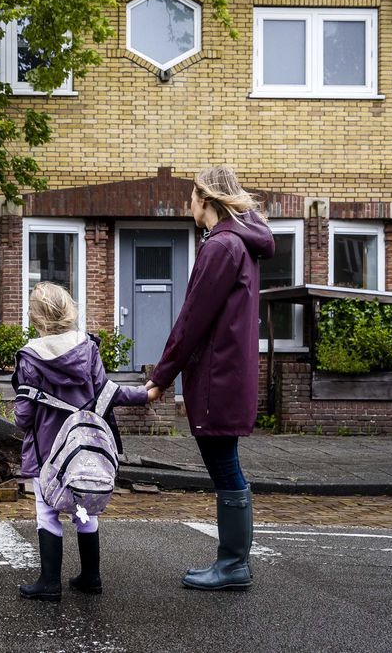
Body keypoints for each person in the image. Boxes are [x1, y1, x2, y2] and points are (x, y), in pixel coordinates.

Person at [144, 164, 275, 591]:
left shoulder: (222, 247)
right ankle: (232, 563)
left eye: (192, 197)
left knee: (225, 468)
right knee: (227, 466)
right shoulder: (240, 244)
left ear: (205, 200)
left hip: (217, 377)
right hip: (230, 374)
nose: (189, 206)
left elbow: (192, 320)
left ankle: (233, 565)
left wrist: (161, 376)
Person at [13, 281, 151, 601]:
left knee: (47, 511)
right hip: (84, 451)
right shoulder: (88, 349)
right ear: (69, 311)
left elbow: (23, 416)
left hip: (47, 452)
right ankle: (91, 575)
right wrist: (144, 394)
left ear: (35, 318)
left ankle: (49, 582)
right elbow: (106, 392)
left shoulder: (30, 358)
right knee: (83, 509)